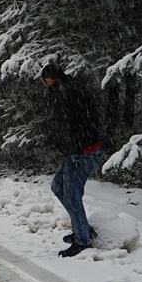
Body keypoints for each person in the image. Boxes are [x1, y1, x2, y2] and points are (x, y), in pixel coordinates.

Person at [41, 62, 103, 257]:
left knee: (72, 197)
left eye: (44, 80)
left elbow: (67, 124)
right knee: (58, 187)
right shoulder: (71, 87)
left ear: (49, 79)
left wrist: (69, 146)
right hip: (83, 148)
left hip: (81, 151)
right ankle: (83, 228)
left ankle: (83, 240)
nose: (44, 84)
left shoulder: (62, 93)